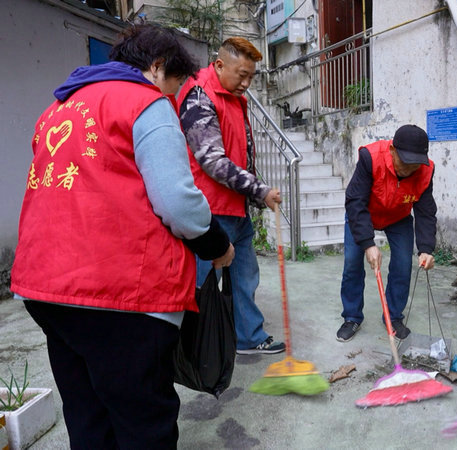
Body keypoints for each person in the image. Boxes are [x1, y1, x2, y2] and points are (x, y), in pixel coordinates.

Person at [11, 24, 234, 448]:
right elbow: (177, 202)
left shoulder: (57, 109)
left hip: (45, 287)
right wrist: (217, 245)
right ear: (157, 67)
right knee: (142, 423)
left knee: (87, 415)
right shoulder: (144, 102)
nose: (172, 97)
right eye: (173, 85)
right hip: (119, 294)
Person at [178, 37, 285, 355]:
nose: (247, 83)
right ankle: (197, 347)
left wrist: (254, 196)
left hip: (236, 208)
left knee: (245, 275)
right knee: (204, 282)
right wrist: (259, 189)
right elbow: (212, 161)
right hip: (208, 210)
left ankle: (248, 337)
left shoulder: (235, 97)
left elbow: (242, 153)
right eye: (242, 75)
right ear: (220, 64)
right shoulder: (199, 96)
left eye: (251, 76)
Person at [336, 124, 437, 342]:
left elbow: (426, 212)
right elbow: (355, 201)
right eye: (405, 163)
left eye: (414, 165)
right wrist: (368, 243)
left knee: (403, 264)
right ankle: (352, 317)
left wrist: (426, 249)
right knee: (352, 263)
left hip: (398, 217)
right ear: (392, 150)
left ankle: (393, 317)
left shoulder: (425, 171)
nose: (409, 170)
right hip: (364, 213)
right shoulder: (370, 158)